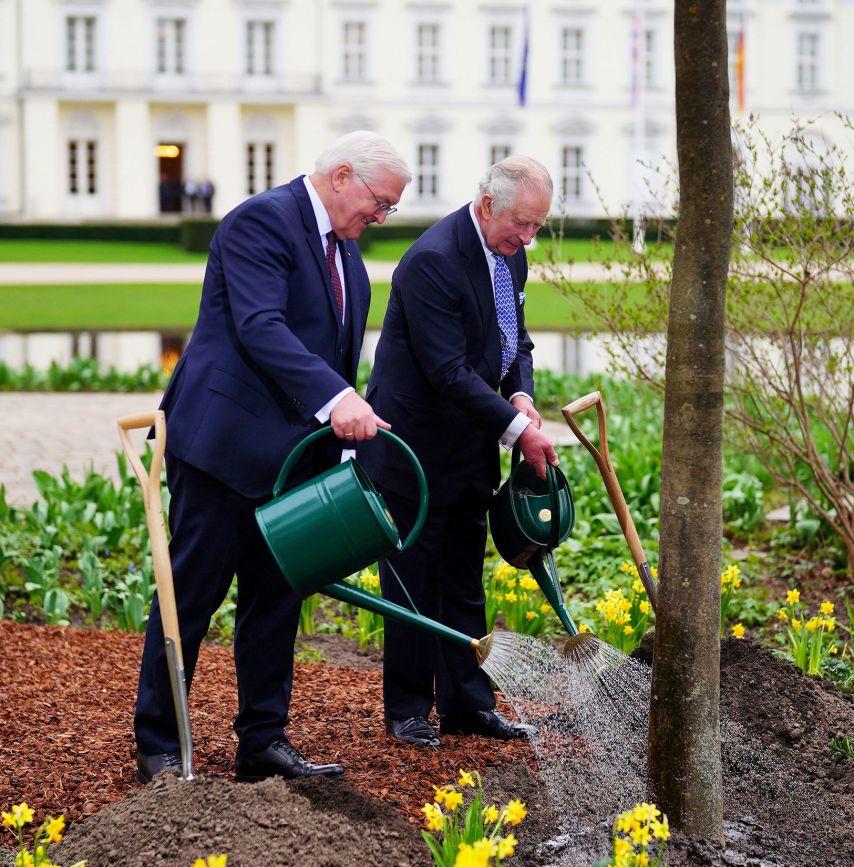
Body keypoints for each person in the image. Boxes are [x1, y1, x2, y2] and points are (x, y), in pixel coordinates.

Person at [133, 132, 410, 784]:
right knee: (190, 596)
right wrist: (337, 397)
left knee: (277, 601)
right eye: (380, 202)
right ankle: (158, 743)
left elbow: (333, 358)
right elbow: (261, 326)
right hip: (223, 449)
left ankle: (261, 740)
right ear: (341, 176)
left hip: (293, 464)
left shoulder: (349, 259)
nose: (382, 217)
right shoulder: (261, 222)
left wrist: (341, 449)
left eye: (391, 209)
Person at [359, 156, 559, 749]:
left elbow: (513, 339)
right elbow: (447, 371)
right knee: (413, 582)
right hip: (412, 449)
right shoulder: (432, 262)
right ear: (487, 202)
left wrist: (520, 394)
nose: (527, 239)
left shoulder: (509, 254)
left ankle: (468, 704)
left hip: (470, 447)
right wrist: (518, 431)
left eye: (537, 228)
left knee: (464, 582)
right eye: (521, 224)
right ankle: (408, 710)